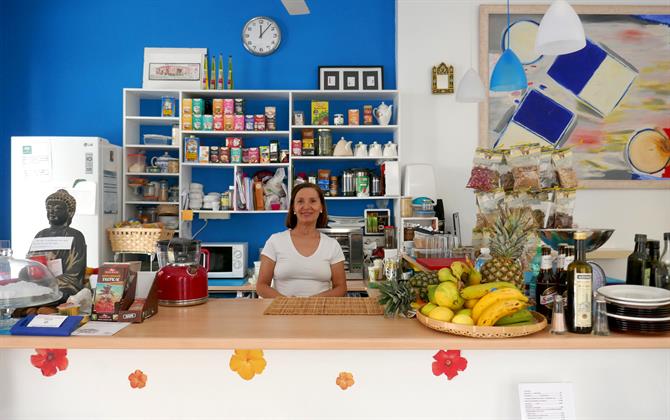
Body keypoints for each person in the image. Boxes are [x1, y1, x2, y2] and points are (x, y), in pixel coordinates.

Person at [257, 183, 347, 298]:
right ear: (293, 208)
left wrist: (311, 302)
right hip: (282, 313)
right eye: (300, 201)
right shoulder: (275, 241)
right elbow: (261, 286)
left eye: (313, 201)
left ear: (321, 207)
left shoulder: (332, 245)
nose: (306, 206)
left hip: (320, 312)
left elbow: (341, 288)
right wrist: (287, 303)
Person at [26, 189, 87, 301]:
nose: (51, 212)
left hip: (63, 285)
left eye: (57, 209)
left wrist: (50, 282)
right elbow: (30, 264)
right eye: (48, 209)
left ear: (70, 212)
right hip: (39, 284)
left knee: (60, 294)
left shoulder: (76, 236)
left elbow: (75, 273)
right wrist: (29, 274)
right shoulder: (41, 234)